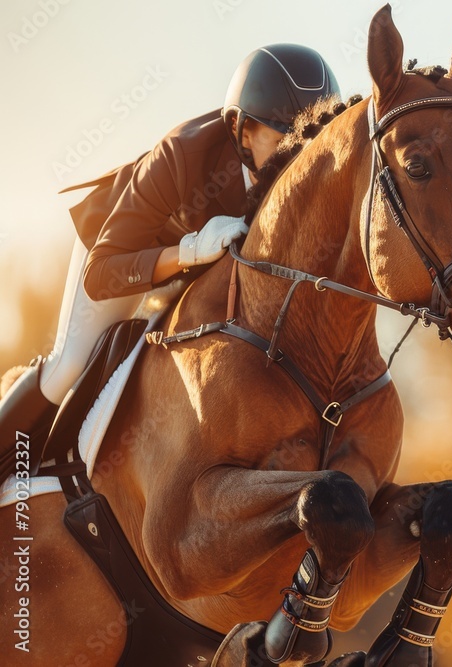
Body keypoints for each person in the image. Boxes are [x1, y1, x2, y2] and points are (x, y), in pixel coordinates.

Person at [0, 44, 339, 461]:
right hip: (122, 251)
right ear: (243, 130)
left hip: (196, 276)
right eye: (283, 137)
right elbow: (101, 273)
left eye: (309, 141)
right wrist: (189, 251)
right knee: (67, 365)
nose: (299, 156)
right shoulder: (183, 153)